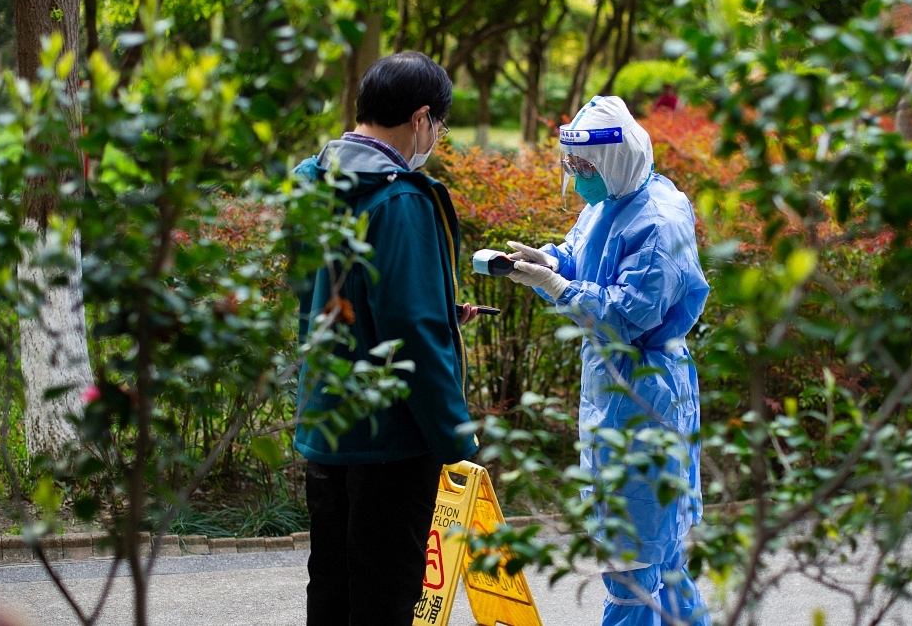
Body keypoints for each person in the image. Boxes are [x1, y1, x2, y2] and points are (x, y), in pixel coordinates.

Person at [503, 95, 710, 626]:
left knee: (633, 559)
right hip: (617, 388)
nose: (576, 178)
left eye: (583, 167)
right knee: (661, 562)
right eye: (570, 166)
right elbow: (583, 253)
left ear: (614, 161)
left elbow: (626, 313)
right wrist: (548, 261)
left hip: (645, 393)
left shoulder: (659, 220)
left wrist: (557, 287)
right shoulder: (613, 198)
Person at [292, 51, 480, 626]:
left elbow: (320, 293)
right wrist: (457, 441)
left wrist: (438, 309)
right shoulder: (399, 198)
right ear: (421, 118)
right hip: (393, 441)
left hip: (327, 423)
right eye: (439, 126)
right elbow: (413, 333)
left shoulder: (312, 180)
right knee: (386, 599)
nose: (436, 139)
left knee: (331, 590)